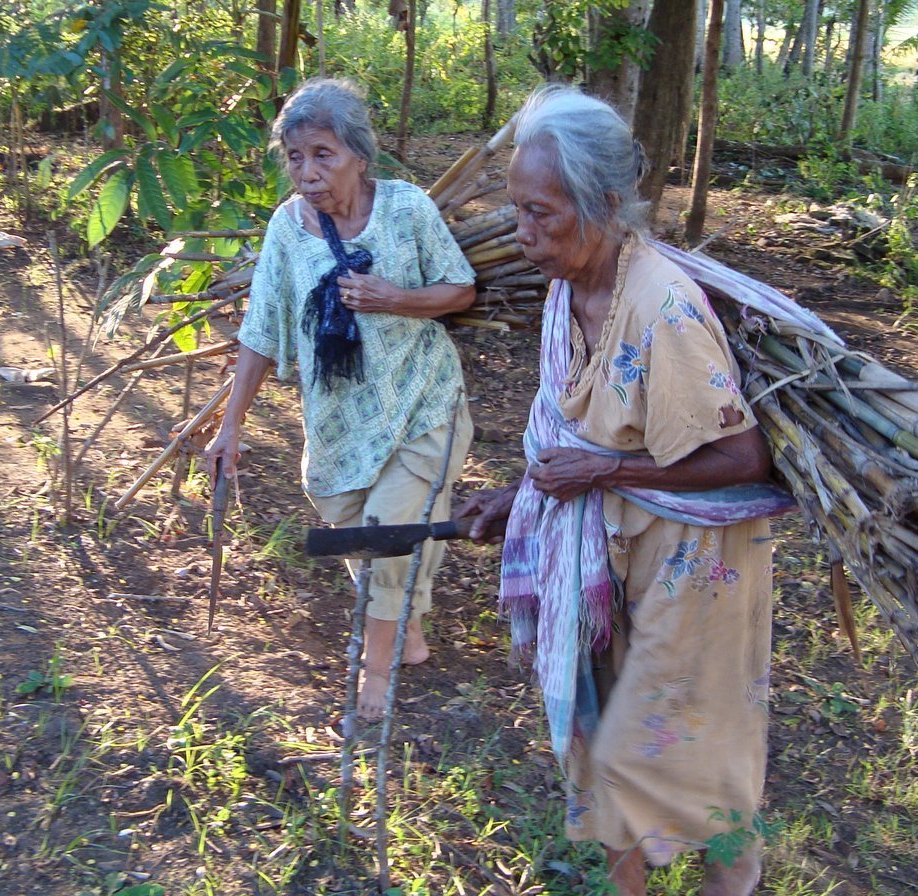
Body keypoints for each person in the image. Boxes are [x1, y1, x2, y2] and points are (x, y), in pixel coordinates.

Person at [455, 86, 794, 896]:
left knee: (689, 760)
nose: (524, 233)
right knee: (601, 733)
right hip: (613, 551)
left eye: (542, 214)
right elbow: (579, 433)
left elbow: (744, 456)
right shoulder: (569, 287)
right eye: (517, 210)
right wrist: (521, 495)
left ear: (604, 205)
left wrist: (604, 473)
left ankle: (733, 878)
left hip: (696, 564)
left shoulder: (660, 310)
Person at [203, 78, 477, 721]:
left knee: (387, 535)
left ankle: (372, 675)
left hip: (422, 404)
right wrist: (230, 426)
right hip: (337, 424)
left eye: (323, 154)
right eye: (295, 157)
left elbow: (459, 288)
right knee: (353, 527)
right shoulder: (286, 229)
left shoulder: (406, 210)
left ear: (359, 154)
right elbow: (263, 330)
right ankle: (401, 621)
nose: (308, 172)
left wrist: (394, 298)